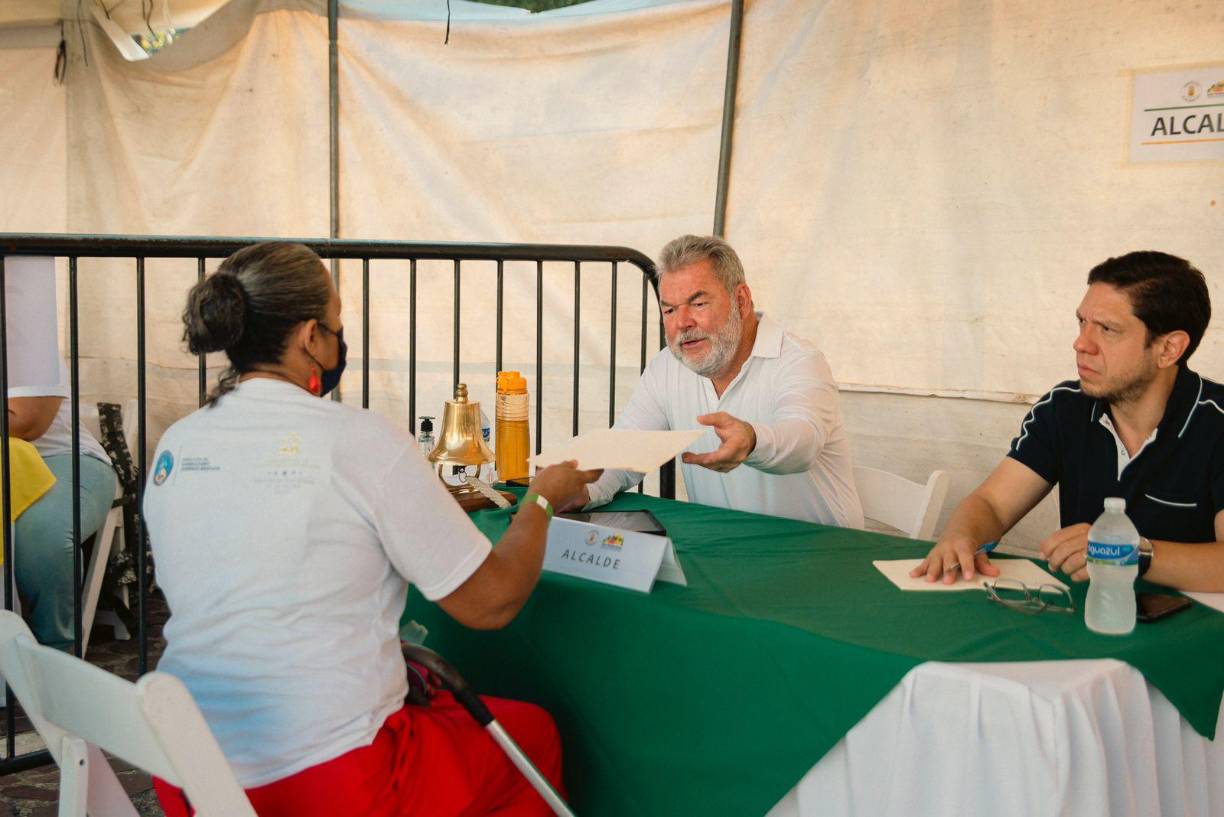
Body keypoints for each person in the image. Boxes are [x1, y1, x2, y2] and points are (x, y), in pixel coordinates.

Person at [142, 242, 599, 817]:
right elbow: (493, 601)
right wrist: (541, 499)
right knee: (530, 734)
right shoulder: (356, 438)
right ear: (311, 337)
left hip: (188, 766)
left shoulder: (180, 442)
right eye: (336, 324)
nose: (340, 338)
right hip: (328, 776)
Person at [913, 251, 1224, 592]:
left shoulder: (1216, 422)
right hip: (1087, 621)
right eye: (1082, 322)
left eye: (1107, 329)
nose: (1081, 343)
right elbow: (992, 504)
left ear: (1169, 348)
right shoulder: (1065, 408)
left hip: (1198, 634)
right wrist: (962, 535)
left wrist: (1132, 553)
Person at [572, 234, 863, 528]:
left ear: (741, 300)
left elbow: (803, 441)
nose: (682, 323)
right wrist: (578, 489)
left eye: (698, 303)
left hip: (820, 557)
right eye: (669, 309)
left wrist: (751, 440)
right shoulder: (667, 367)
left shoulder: (799, 360)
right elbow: (626, 449)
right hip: (724, 553)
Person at [8, 363, 117, 650]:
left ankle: (57, 652)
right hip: (7, 462)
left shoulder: (33, 346)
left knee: (41, 536)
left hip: (64, 458)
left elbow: (25, 423)